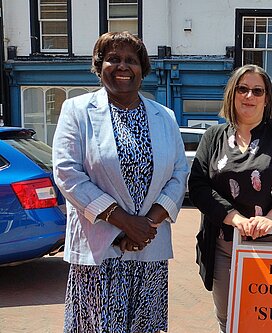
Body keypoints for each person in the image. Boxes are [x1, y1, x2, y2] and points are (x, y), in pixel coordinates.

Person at [52, 31, 189, 333]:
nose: (123, 66)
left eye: (131, 60)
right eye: (113, 59)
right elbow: (66, 172)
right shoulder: (77, 111)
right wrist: (125, 222)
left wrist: (147, 225)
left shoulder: (164, 116)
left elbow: (180, 174)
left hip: (149, 249)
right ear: (99, 66)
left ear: (143, 70)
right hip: (101, 250)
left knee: (146, 327)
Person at [188, 64, 272, 333]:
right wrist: (236, 219)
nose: (249, 96)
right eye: (242, 89)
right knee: (230, 322)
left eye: (257, 90)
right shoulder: (213, 137)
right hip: (225, 249)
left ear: (267, 98)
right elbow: (198, 186)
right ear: (232, 94)